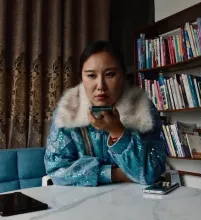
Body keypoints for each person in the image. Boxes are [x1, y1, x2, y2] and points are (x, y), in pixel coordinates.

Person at [44, 40, 166, 186]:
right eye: (91, 76)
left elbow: (152, 171)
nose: (100, 86)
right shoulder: (69, 110)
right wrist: (114, 174)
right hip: (82, 201)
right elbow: (57, 169)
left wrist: (117, 132)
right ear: (81, 77)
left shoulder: (142, 109)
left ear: (122, 75)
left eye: (110, 74)